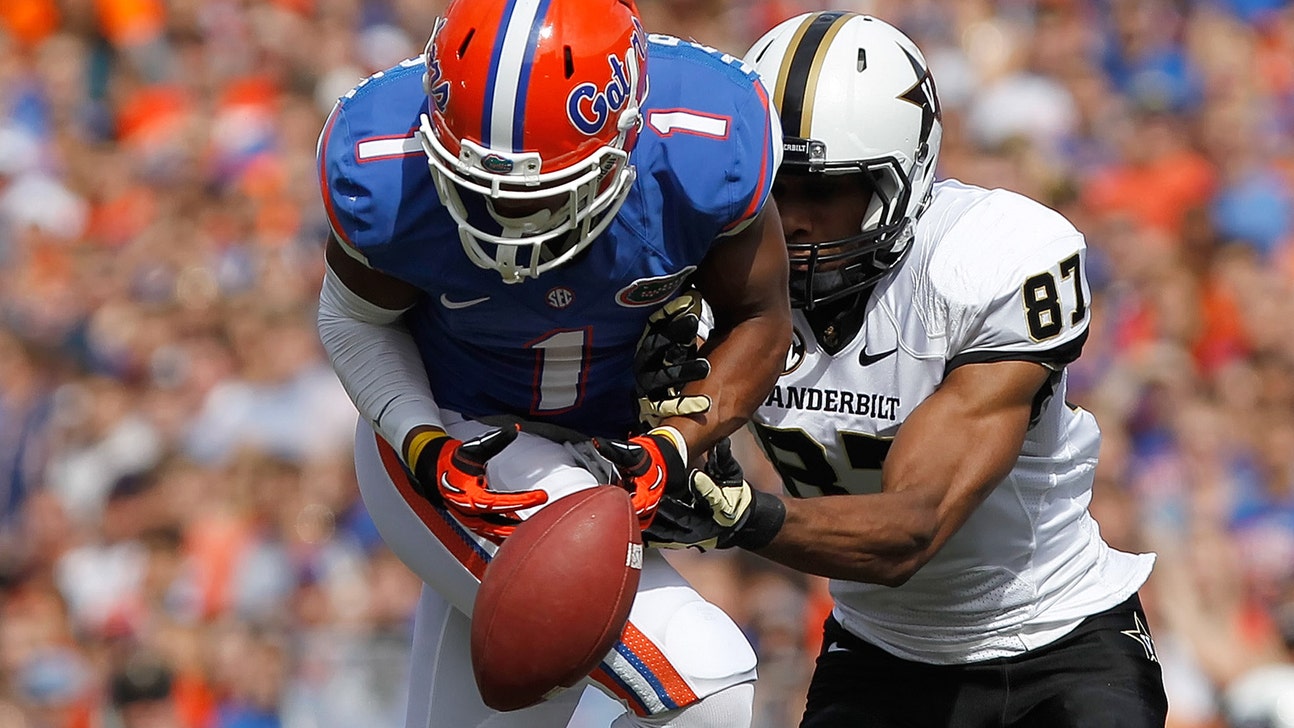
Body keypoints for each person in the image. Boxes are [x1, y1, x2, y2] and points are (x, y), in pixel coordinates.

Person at [637, 12, 1169, 728]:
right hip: (881, 650)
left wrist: (738, 514)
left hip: (1055, 638)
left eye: (823, 191)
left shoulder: (986, 264)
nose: (791, 220)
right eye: (777, 189)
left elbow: (912, 530)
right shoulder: (705, 281)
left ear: (904, 179)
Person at [313, 1, 792, 726]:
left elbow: (761, 318)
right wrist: (421, 440)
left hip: (609, 455)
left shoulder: (706, 146)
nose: (508, 222)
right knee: (704, 679)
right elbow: (353, 321)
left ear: (631, 129)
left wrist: (676, 441)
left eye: (545, 193)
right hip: (459, 443)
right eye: (476, 188)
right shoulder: (385, 171)